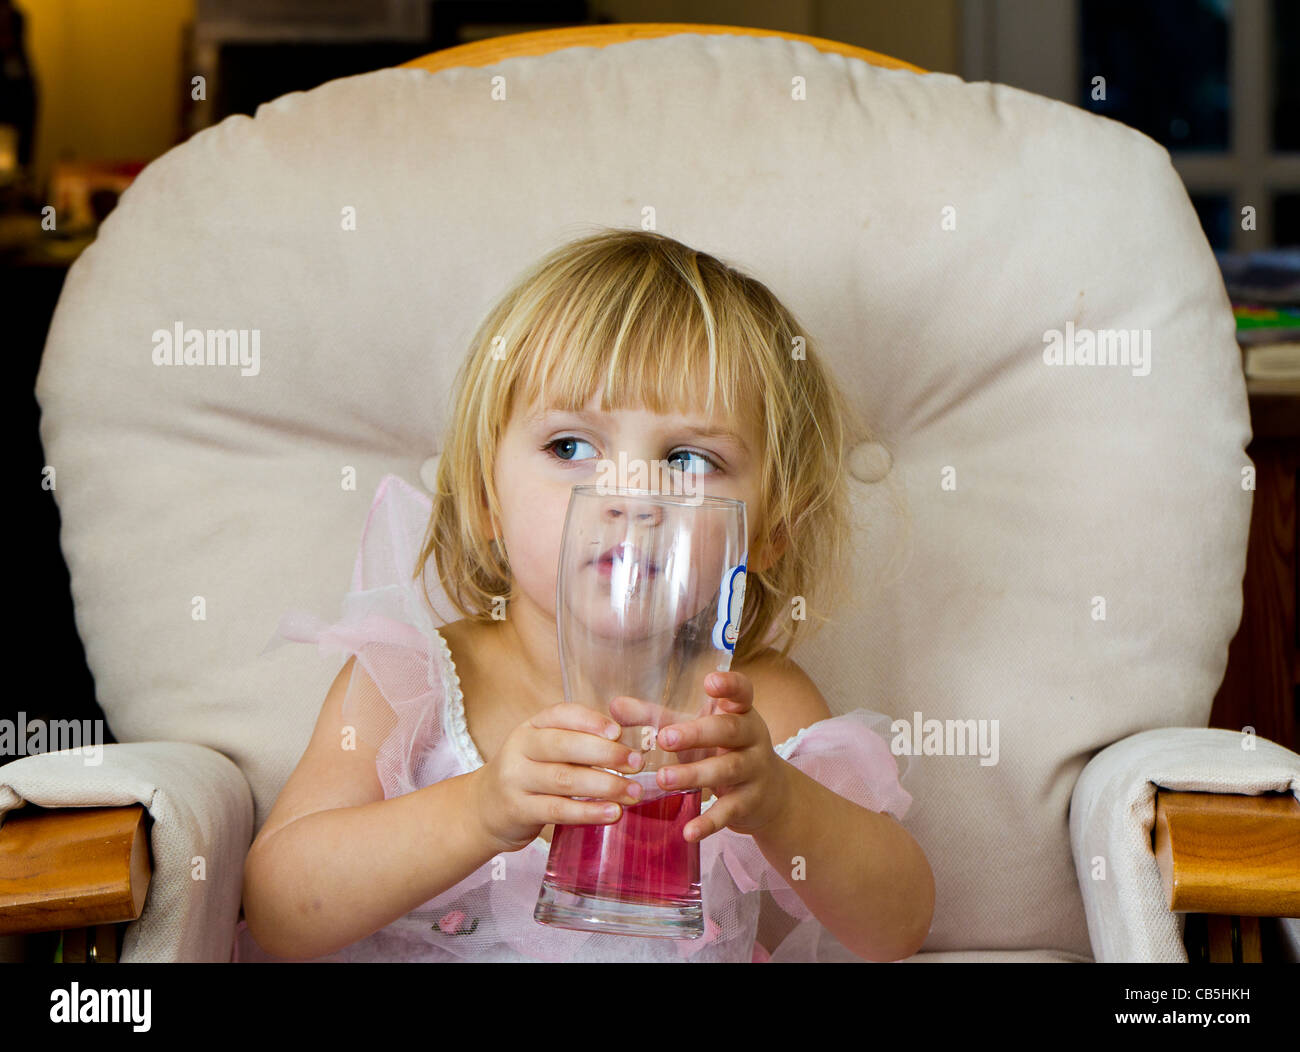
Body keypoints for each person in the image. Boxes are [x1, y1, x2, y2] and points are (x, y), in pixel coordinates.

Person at [237, 228, 932, 962]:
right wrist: (480, 808)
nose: (629, 495)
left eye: (689, 458)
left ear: (770, 532)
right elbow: (283, 909)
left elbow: (895, 928)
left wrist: (787, 806)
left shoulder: (750, 704)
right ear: (484, 502)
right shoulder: (414, 681)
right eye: (571, 448)